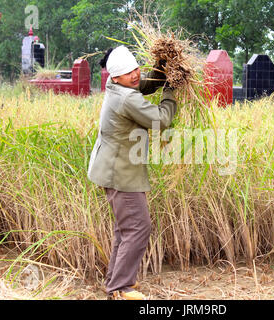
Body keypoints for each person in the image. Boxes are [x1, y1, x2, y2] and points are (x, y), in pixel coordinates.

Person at [87, 45, 177, 300]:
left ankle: (115, 283)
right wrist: (171, 89)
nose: (136, 74)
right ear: (116, 77)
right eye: (129, 73)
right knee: (139, 226)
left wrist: (161, 68)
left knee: (125, 229)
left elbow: (144, 85)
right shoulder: (126, 98)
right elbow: (161, 120)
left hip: (113, 168)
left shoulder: (118, 88)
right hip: (121, 174)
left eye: (137, 68)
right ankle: (120, 288)